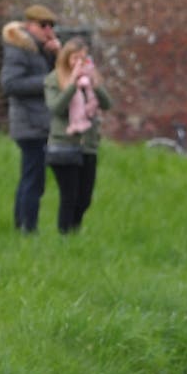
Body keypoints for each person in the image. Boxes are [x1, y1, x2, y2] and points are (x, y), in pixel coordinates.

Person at [44, 37, 113, 235]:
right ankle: (65, 237)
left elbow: (107, 104)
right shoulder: (54, 79)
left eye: (83, 59)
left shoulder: (89, 82)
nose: (79, 63)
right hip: (64, 145)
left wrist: (95, 84)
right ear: (66, 59)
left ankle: (74, 231)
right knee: (69, 196)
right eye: (75, 58)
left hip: (87, 145)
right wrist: (72, 84)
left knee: (85, 198)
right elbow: (56, 108)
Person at [1, 5, 60, 233]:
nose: (48, 30)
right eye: (43, 25)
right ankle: (27, 228)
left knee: (33, 177)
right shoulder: (19, 49)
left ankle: (24, 226)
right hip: (29, 124)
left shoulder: (40, 50)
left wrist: (57, 53)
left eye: (51, 26)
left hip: (40, 123)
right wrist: (48, 81)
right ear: (29, 25)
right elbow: (11, 84)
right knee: (33, 180)